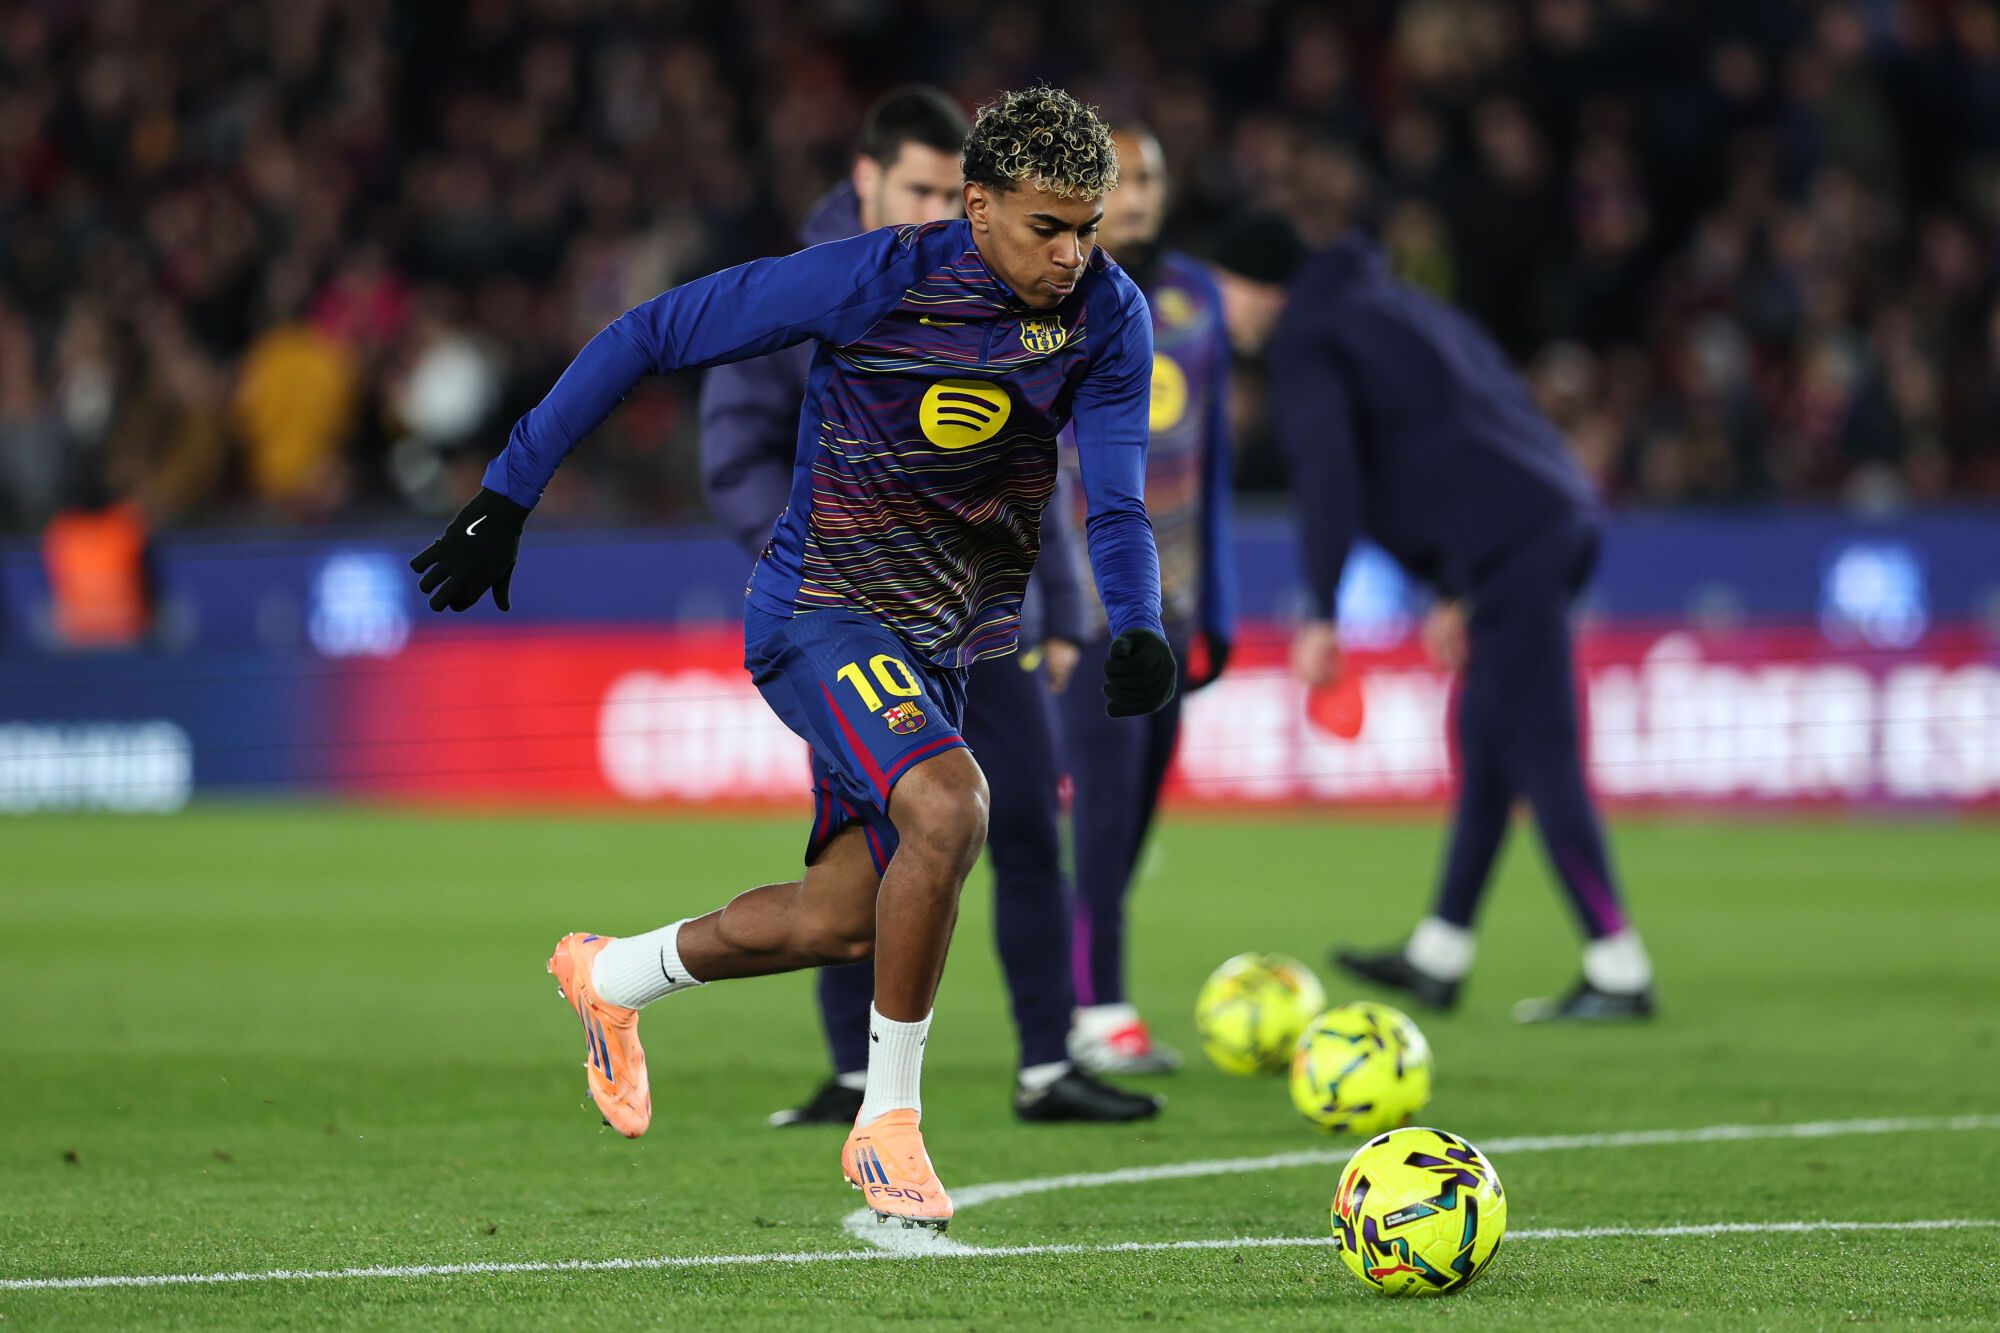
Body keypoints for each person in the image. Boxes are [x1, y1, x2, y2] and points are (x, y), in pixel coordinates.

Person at [409, 86, 1176, 1231]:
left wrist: (1139, 623)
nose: (1071, 254)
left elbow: (1112, 505)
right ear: (977, 204)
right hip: (818, 608)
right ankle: (890, 1125)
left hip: (939, 642)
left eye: (1087, 227)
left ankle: (610, 977)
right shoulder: (876, 276)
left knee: (840, 922)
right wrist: (507, 493)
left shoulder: (1109, 317)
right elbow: (649, 332)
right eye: (1045, 226)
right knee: (952, 807)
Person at [698, 86, 1159, 1126]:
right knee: (873, 837)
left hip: (983, 622)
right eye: (917, 187)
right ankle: (858, 1075)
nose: (934, 206)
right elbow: (732, 457)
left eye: (947, 190)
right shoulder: (821, 288)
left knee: (1025, 820)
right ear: (867, 182)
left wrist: (1062, 614)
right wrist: (823, 566)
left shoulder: (1036, 295)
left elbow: (1025, 471)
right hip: (839, 605)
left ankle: (1047, 1058)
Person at [1221, 213, 1655, 1023]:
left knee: (1541, 749)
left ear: (1263, 286)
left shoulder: (1306, 336)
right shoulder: (1390, 302)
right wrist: (1457, 582)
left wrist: (1321, 610)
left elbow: (1330, 475)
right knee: (1488, 744)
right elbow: (1475, 413)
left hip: (1516, 542)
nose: (1223, 308)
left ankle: (1620, 966)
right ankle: (1441, 952)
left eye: (1226, 288)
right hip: (1535, 522)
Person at [1054, 125, 1238, 1074]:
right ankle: (1097, 1012)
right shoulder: (1051, 298)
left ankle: (1077, 990)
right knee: (1104, 808)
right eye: (1119, 181)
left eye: (1151, 178)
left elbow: (1213, 464)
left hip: (1172, 605)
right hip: (1085, 607)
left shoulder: (1199, 300)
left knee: (1135, 811)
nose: (1137, 197)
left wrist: (1221, 608)